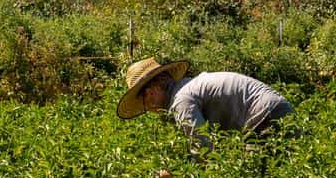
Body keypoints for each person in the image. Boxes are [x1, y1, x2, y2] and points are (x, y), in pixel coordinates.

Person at [116, 57, 293, 149]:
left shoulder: (181, 101)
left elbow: (202, 147)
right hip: (277, 109)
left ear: (151, 91)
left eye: (145, 103)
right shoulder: (185, 89)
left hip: (265, 114)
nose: (150, 109)